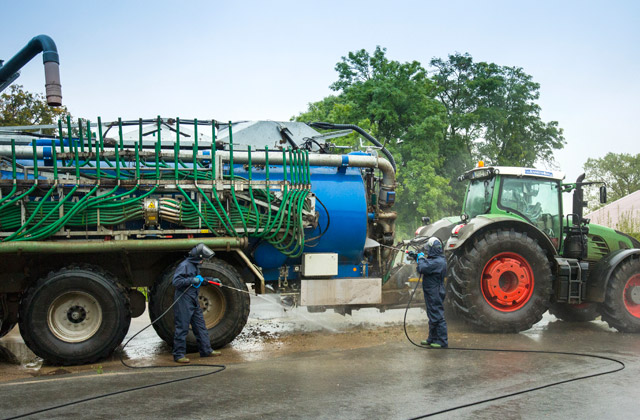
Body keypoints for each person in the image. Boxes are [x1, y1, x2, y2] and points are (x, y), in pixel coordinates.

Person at [172, 243, 222, 363]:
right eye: (203, 258)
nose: (203, 261)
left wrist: (210, 280)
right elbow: (176, 281)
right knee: (182, 327)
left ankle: (206, 350)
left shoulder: (194, 266)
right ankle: (179, 355)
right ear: (198, 256)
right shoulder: (184, 266)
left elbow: (198, 281)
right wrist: (192, 280)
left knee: (200, 326)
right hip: (184, 300)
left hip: (194, 299)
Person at [415, 237, 448, 348]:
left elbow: (422, 268)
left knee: (437, 315)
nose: (427, 250)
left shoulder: (438, 262)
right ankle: (432, 338)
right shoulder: (436, 259)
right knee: (432, 314)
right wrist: (416, 256)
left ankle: (442, 341)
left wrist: (421, 258)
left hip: (435, 292)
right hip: (432, 292)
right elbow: (425, 264)